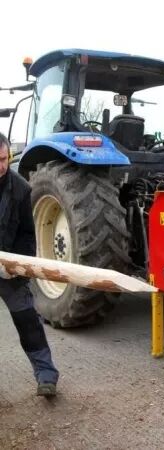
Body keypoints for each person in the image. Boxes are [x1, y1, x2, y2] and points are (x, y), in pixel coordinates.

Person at [0, 132, 59, 397]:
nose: (0, 166)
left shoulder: (21, 189)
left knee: (27, 321)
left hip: (9, 269)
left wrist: (15, 268)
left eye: (3, 159)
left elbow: (27, 234)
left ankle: (46, 375)